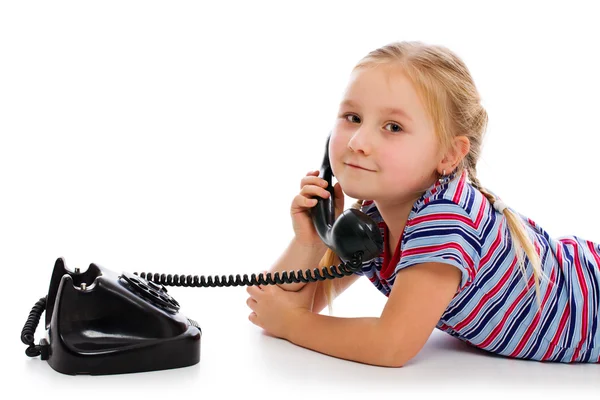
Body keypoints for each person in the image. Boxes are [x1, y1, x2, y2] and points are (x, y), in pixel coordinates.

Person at [245, 40, 600, 366]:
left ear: (448, 155)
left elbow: (392, 344)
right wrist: (309, 240)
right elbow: (272, 304)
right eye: (352, 118)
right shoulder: (373, 218)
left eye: (393, 127)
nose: (357, 141)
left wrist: (292, 324)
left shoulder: (444, 220)